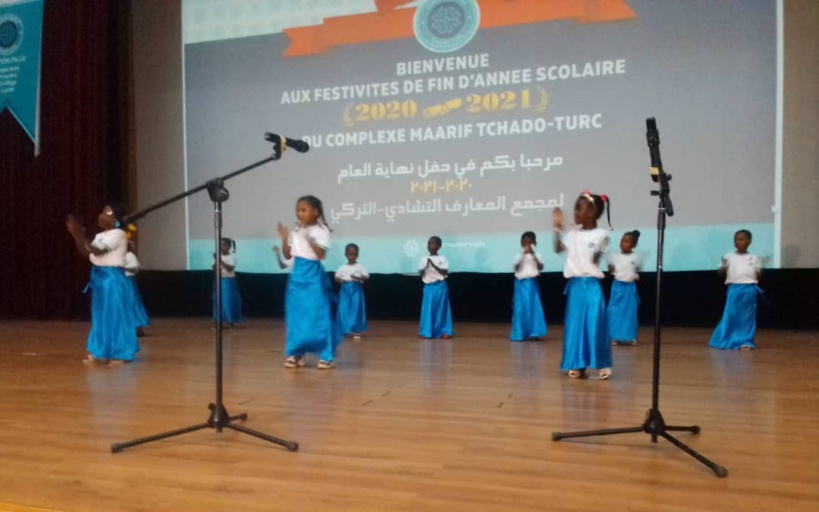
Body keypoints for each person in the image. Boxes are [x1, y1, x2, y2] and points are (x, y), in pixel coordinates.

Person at [65, 203, 140, 365]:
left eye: (107, 212)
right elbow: (87, 252)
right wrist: (77, 235)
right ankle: (101, 351)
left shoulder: (119, 233)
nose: (101, 215)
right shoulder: (100, 235)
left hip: (112, 277)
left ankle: (121, 352)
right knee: (100, 316)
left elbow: (98, 251)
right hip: (99, 277)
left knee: (115, 315)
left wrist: (80, 234)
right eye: (102, 211)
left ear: (116, 219)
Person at [553, 191, 612, 379]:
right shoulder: (572, 235)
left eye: (579, 209)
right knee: (575, 326)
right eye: (575, 209)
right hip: (576, 286)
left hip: (592, 286)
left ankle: (601, 363)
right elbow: (557, 249)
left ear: (592, 213)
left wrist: (599, 249)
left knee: (595, 324)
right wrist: (557, 228)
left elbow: (594, 261)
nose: (575, 213)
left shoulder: (602, 235)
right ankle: (577, 364)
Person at [277, 195, 342, 369]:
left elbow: (321, 254)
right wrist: (284, 238)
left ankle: (326, 355)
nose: (299, 214)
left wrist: (308, 238)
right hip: (296, 275)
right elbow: (288, 255)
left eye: (303, 210)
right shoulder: (296, 229)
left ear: (315, 212)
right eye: (298, 210)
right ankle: (296, 354)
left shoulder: (322, 230)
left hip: (313, 273)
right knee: (296, 317)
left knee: (319, 314)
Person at [709, 230, 764, 350]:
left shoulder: (754, 258)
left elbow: (758, 275)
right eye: (736, 240)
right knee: (730, 315)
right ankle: (725, 339)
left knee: (746, 317)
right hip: (734, 289)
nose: (737, 242)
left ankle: (745, 341)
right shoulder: (728, 256)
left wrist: (760, 269)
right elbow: (720, 273)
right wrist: (723, 266)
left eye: (741, 239)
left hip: (749, 290)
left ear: (749, 241)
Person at [510, 231, 548, 341]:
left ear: (535, 243)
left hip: (531, 284)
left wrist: (534, 254)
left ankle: (534, 332)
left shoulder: (538, 255)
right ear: (521, 243)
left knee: (533, 307)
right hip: (521, 284)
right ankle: (520, 332)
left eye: (530, 242)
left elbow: (541, 266)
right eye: (525, 242)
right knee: (520, 309)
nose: (527, 245)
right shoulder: (518, 255)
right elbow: (516, 268)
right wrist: (523, 254)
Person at [608, 230, 642, 346]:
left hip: (629, 288)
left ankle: (630, 336)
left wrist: (634, 275)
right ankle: (614, 336)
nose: (623, 243)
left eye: (627, 241)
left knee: (630, 312)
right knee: (615, 311)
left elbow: (637, 270)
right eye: (622, 240)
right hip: (618, 287)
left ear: (633, 244)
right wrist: (610, 266)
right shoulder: (615, 255)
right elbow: (611, 271)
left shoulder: (636, 257)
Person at [419, 236, 453, 339]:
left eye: (433, 243)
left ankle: (444, 331)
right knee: (428, 309)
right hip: (429, 286)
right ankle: (427, 331)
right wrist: (425, 267)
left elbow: (444, 272)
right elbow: (421, 273)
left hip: (440, 286)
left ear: (439, 246)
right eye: (429, 243)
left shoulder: (442, 258)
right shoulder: (424, 259)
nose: (430, 246)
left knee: (441, 309)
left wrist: (433, 265)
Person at [335, 243, 369, 339]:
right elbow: (337, 277)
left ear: (357, 255)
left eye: (354, 254)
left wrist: (358, 277)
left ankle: (356, 329)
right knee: (343, 308)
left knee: (356, 308)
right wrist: (340, 280)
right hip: (345, 289)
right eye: (350, 254)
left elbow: (366, 277)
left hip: (356, 289)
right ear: (345, 254)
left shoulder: (360, 267)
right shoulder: (342, 267)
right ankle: (344, 329)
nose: (352, 256)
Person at [212, 238, 242, 328]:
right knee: (217, 300)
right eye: (220, 245)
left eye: (224, 245)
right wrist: (216, 261)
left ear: (229, 246)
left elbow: (230, 269)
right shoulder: (218, 256)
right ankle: (218, 320)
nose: (222, 247)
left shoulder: (232, 256)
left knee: (228, 301)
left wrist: (220, 260)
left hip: (228, 280)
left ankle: (231, 321)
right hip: (218, 280)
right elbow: (214, 269)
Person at [124, 239, 150, 337]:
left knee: (132, 304)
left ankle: (138, 328)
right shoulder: (117, 257)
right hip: (120, 282)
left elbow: (135, 269)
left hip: (128, 282)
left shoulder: (130, 256)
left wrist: (123, 268)